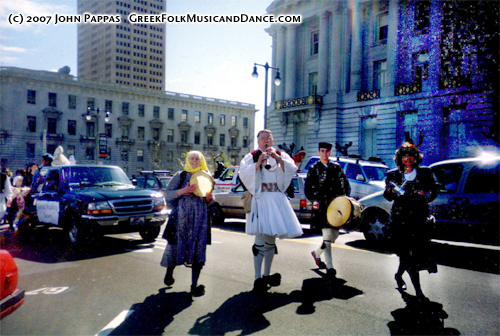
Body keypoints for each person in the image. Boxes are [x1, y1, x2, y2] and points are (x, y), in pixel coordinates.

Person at [239, 129, 303, 292]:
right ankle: (257, 277)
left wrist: (278, 158)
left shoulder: (280, 154)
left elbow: (292, 168)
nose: (266, 140)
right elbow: (243, 174)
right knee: (260, 238)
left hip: (276, 198)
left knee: (271, 239)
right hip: (260, 198)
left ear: (272, 140)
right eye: (263, 138)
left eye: (269, 138)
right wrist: (258, 163)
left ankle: (266, 274)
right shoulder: (251, 156)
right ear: (258, 141)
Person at [383, 142, 438, 300]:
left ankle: (399, 275)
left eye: (410, 156)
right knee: (408, 255)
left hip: (419, 220)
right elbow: (387, 196)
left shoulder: (425, 172)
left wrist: (424, 194)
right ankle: (418, 291)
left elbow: (433, 191)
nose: (407, 159)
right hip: (400, 221)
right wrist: (391, 191)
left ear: (415, 158)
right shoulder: (393, 175)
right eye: (404, 156)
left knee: (411, 255)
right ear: (400, 158)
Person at [160, 151, 214, 297]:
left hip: (200, 218)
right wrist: (184, 190)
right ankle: (169, 273)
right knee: (176, 245)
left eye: (197, 158)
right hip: (181, 217)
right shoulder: (181, 175)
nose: (195, 161)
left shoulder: (207, 175)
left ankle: (194, 285)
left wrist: (209, 198)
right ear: (188, 160)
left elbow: (211, 200)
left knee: (198, 249)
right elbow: (167, 194)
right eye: (192, 158)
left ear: (201, 160)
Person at [304, 142, 350, 279]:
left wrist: (345, 198)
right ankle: (330, 267)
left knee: (333, 236)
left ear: (330, 153)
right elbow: (308, 188)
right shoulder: (314, 168)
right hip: (322, 207)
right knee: (328, 237)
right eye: (322, 151)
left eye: (327, 151)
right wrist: (314, 200)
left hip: (335, 206)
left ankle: (317, 253)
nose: (325, 153)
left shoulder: (336, 168)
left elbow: (345, 184)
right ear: (318, 152)